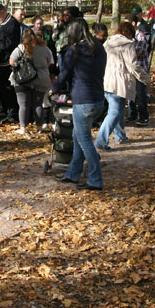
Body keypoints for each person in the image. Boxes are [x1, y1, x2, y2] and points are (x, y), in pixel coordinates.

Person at [50, 20, 106, 191]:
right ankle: (73, 173)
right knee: (77, 136)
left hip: (83, 101)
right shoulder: (98, 47)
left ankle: (95, 179)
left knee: (85, 141)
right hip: (98, 99)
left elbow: (64, 74)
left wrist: (53, 90)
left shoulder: (74, 51)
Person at [95, 21, 150, 150]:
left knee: (117, 111)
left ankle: (120, 136)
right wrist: (145, 78)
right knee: (114, 112)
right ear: (129, 33)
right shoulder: (128, 45)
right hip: (120, 82)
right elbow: (133, 65)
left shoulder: (107, 43)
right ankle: (101, 141)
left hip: (107, 81)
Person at [9, 29, 53, 135]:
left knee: (23, 105)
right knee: (38, 104)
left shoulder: (21, 48)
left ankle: (23, 128)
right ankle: (39, 127)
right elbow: (49, 62)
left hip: (22, 78)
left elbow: (11, 61)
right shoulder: (44, 48)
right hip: (41, 78)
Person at [0, 3, 21, 122]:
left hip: (7, 61)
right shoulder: (4, 23)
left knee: (9, 88)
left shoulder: (12, 24)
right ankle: (5, 109)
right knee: (2, 88)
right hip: (0, 61)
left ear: (3, 12)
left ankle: (12, 112)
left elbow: (9, 43)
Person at [126, 14, 151, 127]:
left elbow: (142, 52)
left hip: (140, 69)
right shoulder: (127, 37)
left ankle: (144, 116)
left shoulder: (140, 35)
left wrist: (129, 54)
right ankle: (132, 114)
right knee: (130, 94)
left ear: (133, 23)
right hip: (129, 70)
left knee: (141, 94)